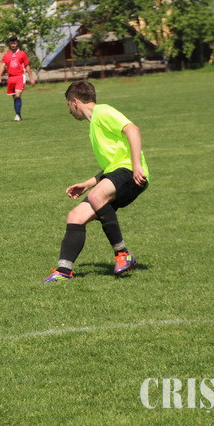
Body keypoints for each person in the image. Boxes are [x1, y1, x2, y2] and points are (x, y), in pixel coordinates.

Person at [43, 80, 149, 283]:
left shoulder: (103, 111)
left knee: (96, 196)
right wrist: (87, 183)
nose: (69, 111)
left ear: (75, 101)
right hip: (119, 172)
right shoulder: (94, 125)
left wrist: (137, 165)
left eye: (68, 105)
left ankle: (122, 254)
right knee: (75, 216)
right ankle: (64, 271)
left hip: (130, 172)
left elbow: (133, 129)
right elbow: (111, 167)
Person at [0, 35, 35, 121]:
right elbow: (2, 66)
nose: (13, 45)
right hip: (11, 78)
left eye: (15, 43)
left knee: (17, 95)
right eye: (12, 43)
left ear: (17, 43)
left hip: (20, 77)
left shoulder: (22, 54)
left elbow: (27, 66)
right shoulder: (6, 55)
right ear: (10, 44)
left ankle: (17, 115)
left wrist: (31, 78)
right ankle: (18, 114)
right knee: (14, 97)